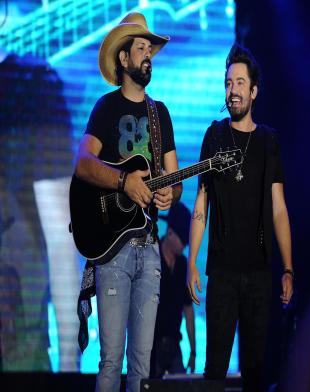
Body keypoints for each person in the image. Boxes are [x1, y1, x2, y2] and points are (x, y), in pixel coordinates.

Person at [74, 12, 182, 392]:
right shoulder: (106, 108)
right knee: (110, 359)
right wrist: (123, 181)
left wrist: (172, 192)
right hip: (113, 253)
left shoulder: (160, 114)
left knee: (142, 365)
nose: (148, 54)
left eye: (151, 48)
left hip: (150, 249)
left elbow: (174, 176)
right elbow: (83, 164)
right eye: (141, 47)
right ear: (124, 59)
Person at [187, 43, 294, 392]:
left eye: (239, 83)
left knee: (255, 371)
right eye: (228, 83)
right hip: (222, 271)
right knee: (215, 370)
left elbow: (278, 207)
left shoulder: (267, 141)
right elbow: (201, 202)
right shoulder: (214, 134)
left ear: (254, 90)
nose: (232, 90)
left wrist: (288, 268)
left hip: (259, 273)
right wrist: (192, 262)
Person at [150, 202, 196, 378]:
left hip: (174, 345)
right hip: (152, 346)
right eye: (182, 239)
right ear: (170, 233)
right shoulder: (152, 258)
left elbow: (188, 308)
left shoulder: (183, 264)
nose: (185, 245)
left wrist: (193, 351)